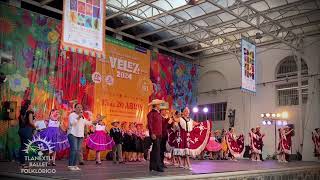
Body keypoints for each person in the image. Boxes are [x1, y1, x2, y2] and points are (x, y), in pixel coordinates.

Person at [67, 103, 97, 171]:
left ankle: (75, 165)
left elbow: (87, 123)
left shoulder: (82, 116)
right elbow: (72, 123)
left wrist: (95, 121)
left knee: (78, 151)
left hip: (80, 135)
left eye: (81, 107)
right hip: (72, 134)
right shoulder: (72, 115)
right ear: (75, 108)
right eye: (78, 107)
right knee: (74, 150)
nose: (80, 108)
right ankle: (70, 165)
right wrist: (79, 117)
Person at [147, 99, 164, 172]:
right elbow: (150, 124)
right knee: (156, 150)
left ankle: (153, 166)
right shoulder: (151, 113)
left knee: (155, 150)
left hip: (159, 134)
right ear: (156, 105)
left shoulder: (158, 113)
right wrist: (152, 133)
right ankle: (157, 166)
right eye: (159, 104)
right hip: (155, 134)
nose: (160, 106)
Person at [18, 100, 36, 168]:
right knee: (26, 147)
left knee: (23, 146)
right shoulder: (30, 112)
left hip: (21, 130)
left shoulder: (23, 112)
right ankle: (23, 164)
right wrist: (36, 127)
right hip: (27, 130)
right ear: (29, 105)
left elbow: (24, 122)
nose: (32, 106)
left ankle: (21, 162)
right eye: (31, 104)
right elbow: (31, 122)